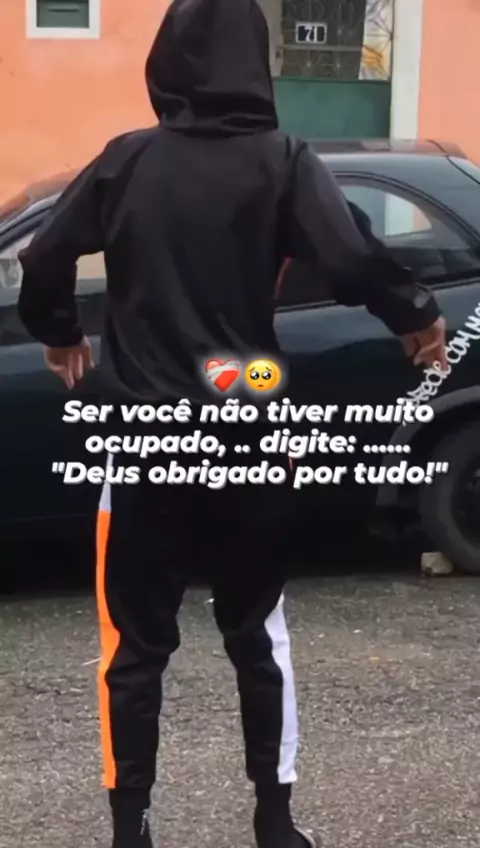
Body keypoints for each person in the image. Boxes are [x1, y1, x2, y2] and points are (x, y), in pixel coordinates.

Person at [17, 1, 447, 846]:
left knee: (134, 647)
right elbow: (351, 255)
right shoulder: (282, 160)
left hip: (146, 440)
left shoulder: (127, 160)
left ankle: (131, 829)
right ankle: (275, 823)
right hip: (248, 434)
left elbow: (44, 255)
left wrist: (60, 330)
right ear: (256, 60)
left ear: (166, 61)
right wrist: (416, 314)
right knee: (257, 631)